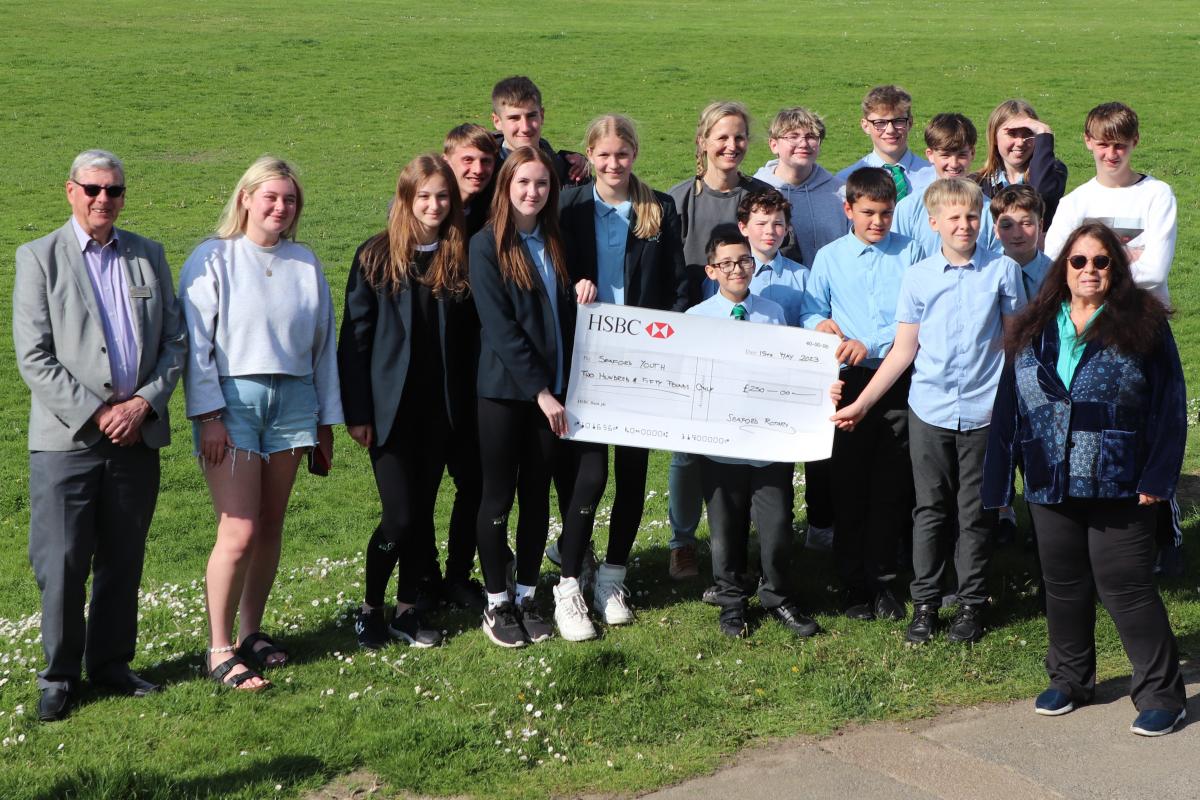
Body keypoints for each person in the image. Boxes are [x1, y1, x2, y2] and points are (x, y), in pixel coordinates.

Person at [982, 222, 1187, 737]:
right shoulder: (1033, 324)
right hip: (1050, 477)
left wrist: (1159, 477)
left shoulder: (1144, 323)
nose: (1090, 270)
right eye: (1080, 261)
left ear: (1116, 269)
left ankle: (1163, 694)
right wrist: (999, 485)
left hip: (1122, 478)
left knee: (1128, 586)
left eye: (1102, 262)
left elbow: (1170, 407)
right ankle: (1071, 680)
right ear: (1063, 268)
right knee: (1065, 586)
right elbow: (1010, 406)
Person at [14, 149, 187, 721]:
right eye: (92, 189)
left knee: (123, 557)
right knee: (61, 562)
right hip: (67, 444)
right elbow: (34, 357)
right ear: (70, 191)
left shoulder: (148, 255)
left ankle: (111, 664)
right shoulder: (39, 258)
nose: (103, 200)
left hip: (136, 438)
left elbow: (175, 343)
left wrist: (143, 403)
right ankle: (59, 676)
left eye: (113, 190)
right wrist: (96, 413)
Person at [832, 178, 1026, 645]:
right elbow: (902, 351)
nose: (965, 226)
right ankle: (926, 604)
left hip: (983, 411)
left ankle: (971, 605)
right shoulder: (917, 277)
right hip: (930, 410)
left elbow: (1017, 344)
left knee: (975, 511)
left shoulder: (1002, 272)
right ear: (934, 222)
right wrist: (862, 402)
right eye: (954, 218)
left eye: (972, 218)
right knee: (929, 510)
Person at [180, 156, 342, 690]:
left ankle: (252, 632)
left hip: (294, 399)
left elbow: (324, 349)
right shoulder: (214, 257)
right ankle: (219, 646)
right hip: (234, 403)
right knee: (239, 528)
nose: (280, 207)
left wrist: (326, 420)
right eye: (270, 196)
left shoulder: (305, 262)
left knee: (271, 524)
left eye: (289, 199)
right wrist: (208, 415)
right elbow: (196, 345)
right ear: (245, 197)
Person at [339, 155, 482, 650]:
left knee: (421, 515)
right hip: (389, 414)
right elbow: (354, 341)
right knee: (399, 517)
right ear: (406, 198)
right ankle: (369, 608)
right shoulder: (376, 256)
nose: (435, 205)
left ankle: (406, 610)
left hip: (442, 412)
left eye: (443, 196)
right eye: (424, 196)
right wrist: (357, 413)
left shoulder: (459, 255)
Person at [555, 114, 689, 628]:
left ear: (635, 153)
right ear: (589, 156)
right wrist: (573, 291)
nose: (614, 164)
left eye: (623, 154)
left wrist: (667, 342)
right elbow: (553, 273)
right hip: (585, 361)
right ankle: (571, 580)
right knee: (589, 474)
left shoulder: (659, 207)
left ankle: (613, 577)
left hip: (641, 363)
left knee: (633, 473)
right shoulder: (567, 207)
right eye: (604, 155)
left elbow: (677, 284)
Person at [470, 146, 595, 647]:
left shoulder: (554, 239)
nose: (532, 192)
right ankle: (497, 603)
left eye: (541, 184)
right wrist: (542, 392)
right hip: (507, 395)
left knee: (537, 495)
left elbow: (561, 311)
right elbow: (501, 329)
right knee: (498, 494)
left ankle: (526, 595)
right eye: (523, 183)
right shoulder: (486, 245)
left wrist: (582, 288)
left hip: (555, 394)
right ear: (506, 186)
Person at [688, 225, 821, 639]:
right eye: (726, 263)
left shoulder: (773, 313)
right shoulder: (696, 320)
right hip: (721, 448)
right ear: (711, 271)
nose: (737, 270)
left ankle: (778, 596)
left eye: (744, 261)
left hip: (768, 445)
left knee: (777, 527)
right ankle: (730, 602)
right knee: (725, 531)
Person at [801, 167, 923, 621]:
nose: (878, 222)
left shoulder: (912, 253)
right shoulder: (830, 257)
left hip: (896, 379)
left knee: (891, 483)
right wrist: (819, 324)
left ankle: (886, 582)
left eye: (886, 213)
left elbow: (918, 316)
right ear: (848, 208)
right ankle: (853, 583)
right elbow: (814, 306)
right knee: (848, 483)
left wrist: (870, 342)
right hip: (848, 381)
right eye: (868, 213)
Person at [664, 100, 776, 581]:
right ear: (703, 141)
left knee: (750, 438)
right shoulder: (676, 201)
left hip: (753, 333)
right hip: (698, 334)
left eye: (739, 137)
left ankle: (744, 538)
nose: (731, 146)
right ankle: (683, 541)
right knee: (687, 447)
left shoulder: (761, 197)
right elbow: (669, 275)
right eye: (722, 137)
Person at [1044, 103, 1176, 306]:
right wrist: (1129, 256)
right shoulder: (1074, 202)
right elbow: (1054, 265)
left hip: (1143, 319)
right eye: (1103, 145)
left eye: (1120, 145)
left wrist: (1086, 268)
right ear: (1088, 140)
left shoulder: (1157, 194)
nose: (1111, 154)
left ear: (1135, 140)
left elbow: (1155, 272)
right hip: (1089, 321)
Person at [989, 184, 1053, 542]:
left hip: (1043, 379)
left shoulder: (1059, 275)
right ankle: (1000, 516)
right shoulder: (983, 270)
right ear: (995, 227)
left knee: (1039, 455)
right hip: (994, 376)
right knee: (997, 451)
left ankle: (1045, 527)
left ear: (1041, 225)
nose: (1017, 233)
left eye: (1027, 223)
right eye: (1007, 224)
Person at [892, 113, 997, 257]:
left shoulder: (989, 210)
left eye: (962, 155)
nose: (953, 164)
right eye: (945, 155)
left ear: (972, 153)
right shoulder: (908, 208)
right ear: (930, 154)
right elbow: (898, 260)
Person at [753, 107, 848, 264]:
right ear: (774, 144)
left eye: (811, 136)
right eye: (793, 136)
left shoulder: (841, 193)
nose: (803, 143)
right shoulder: (756, 191)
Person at [969, 99, 1068, 228]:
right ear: (994, 137)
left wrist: (1044, 132)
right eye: (1012, 134)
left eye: (1028, 133)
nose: (1020, 142)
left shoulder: (1053, 171)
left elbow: (1041, 193)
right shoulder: (978, 184)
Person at [836, 85, 934, 200]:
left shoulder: (933, 176)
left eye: (898, 121)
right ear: (865, 125)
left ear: (910, 123)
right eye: (880, 123)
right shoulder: (846, 181)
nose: (890, 130)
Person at [490, 75, 589, 187]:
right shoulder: (482, 173)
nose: (525, 128)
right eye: (514, 118)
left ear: (541, 115)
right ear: (497, 121)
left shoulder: (570, 174)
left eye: (531, 116)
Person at [443, 123, 499, 238]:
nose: (478, 170)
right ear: (446, 162)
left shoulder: (491, 205)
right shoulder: (430, 205)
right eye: (468, 160)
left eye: (486, 161)